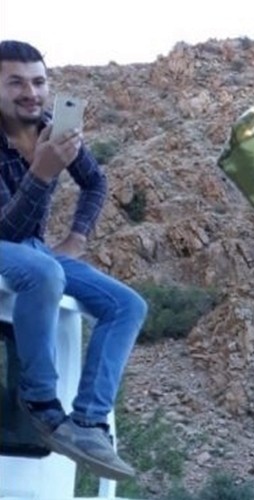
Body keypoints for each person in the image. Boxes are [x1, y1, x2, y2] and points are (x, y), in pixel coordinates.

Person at [0, 40, 147, 481]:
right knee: (42, 271)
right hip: (13, 247)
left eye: (39, 82)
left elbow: (96, 183)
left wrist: (78, 237)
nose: (32, 92)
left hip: (33, 250)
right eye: (16, 82)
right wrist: (42, 173)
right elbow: (4, 232)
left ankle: (88, 424)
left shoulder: (52, 129)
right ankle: (42, 404)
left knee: (127, 305)